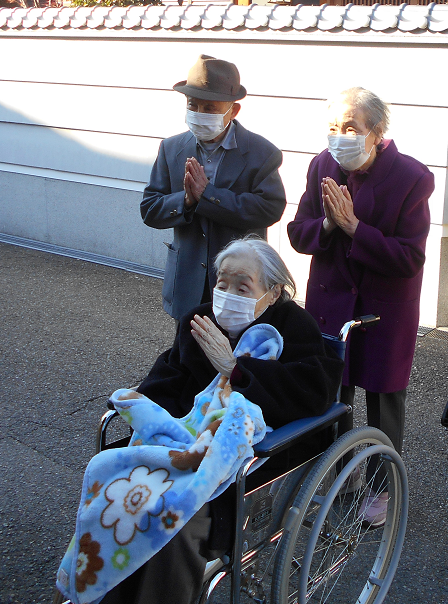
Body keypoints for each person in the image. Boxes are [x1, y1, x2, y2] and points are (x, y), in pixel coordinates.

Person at [99, 235, 344, 604]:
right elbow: (166, 380)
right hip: (187, 442)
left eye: (242, 287)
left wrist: (236, 369)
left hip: (257, 450)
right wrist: (160, 423)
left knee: (176, 517)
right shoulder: (198, 321)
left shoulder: (295, 327)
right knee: (115, 479)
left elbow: (314, 390)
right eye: (221, 283)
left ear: (273, 292)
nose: (227, 293)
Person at [287, 86, 435, 526]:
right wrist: (330, 226)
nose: (340, 137)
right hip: (332, 301)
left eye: (351, 128)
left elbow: (410, 256)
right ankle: (338, 477)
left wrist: (355, 228)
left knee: (384, 397)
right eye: (333, 127)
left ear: (377, 133)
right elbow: (299, 233)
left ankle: (381, 487)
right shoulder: (321, 165)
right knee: (333, 392)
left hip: (385, 308)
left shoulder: (412, 177)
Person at [140, 54, 287, 321]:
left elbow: (270, 209)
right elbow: (149, 209)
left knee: (234, 359)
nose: (199, 114)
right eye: (192, 104)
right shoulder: (171, 148)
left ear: (233, 110)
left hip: (241, 286)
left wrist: (208, 195)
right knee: (187, 357)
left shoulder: (261, 152)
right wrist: (185, 201)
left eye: (209, 108)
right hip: (187, 281)